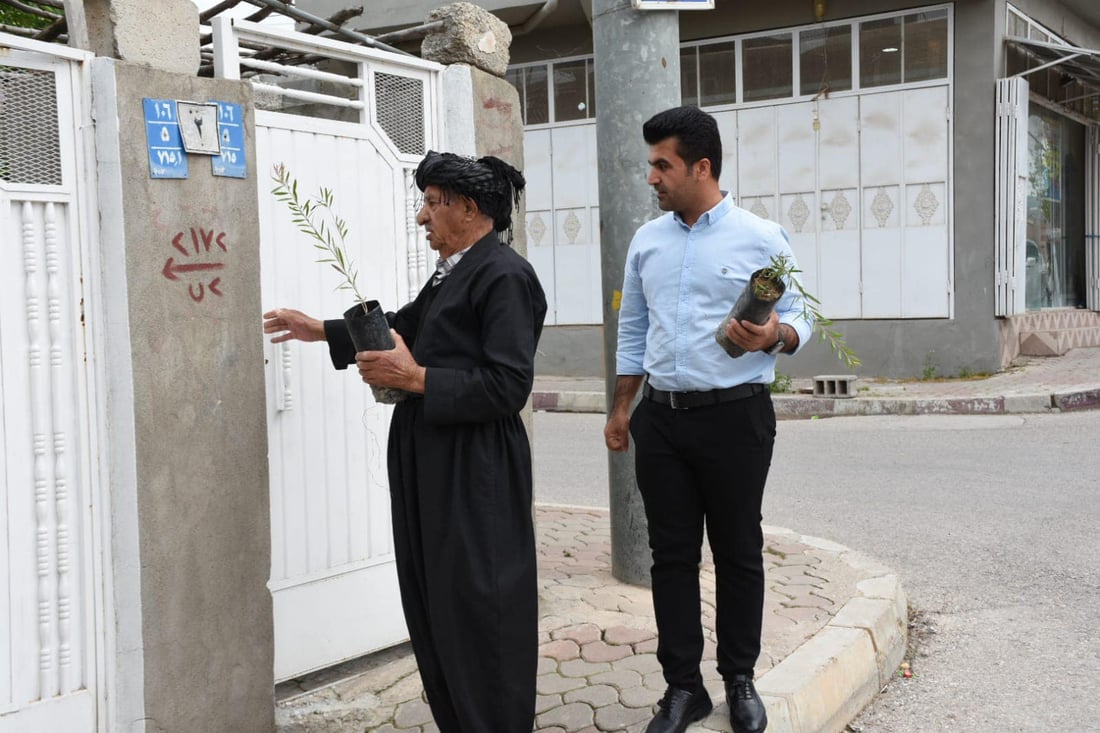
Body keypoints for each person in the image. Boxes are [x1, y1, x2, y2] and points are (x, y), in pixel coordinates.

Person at [263, 151, 547, 733]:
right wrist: (320, 330)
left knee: (479, 603)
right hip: (430, 457)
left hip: (476, 468)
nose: (422, 217)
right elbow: (406, 326)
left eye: (431, 203)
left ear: (468, 209)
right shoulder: (456, 270)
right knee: (435, 598)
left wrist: (415, 378)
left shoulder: (505, 276)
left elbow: (508, 385)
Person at [604, 106, 813, 733]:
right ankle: (682, 688)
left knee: (739, 552)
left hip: (736, 418)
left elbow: (802, 320)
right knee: (669, 558)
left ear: (701, 166)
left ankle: (740, 679)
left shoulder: (762, 237)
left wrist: (773, 334)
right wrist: (621, 409)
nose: (652, 177)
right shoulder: (648, 242)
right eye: (650, 165)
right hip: (661, 421)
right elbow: (633, 330)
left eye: (661, 165)